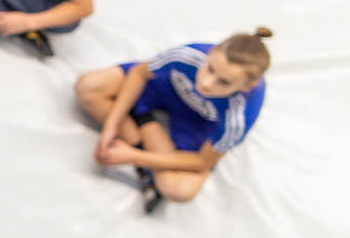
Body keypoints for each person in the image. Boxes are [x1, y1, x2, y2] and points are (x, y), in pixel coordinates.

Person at [73, 29, 272, 210]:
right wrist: (110, 127)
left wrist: (133, 156)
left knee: (179, 190)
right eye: (210, 69)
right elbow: (140, 73)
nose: (206, 83)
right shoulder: (191, 55)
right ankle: (142, 137)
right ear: (211, 52)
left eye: (224, 82)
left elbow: (202, 161)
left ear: (247, 87)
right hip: (165, 89)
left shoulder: (240, 115)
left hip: (198, 121)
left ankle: (142, 120)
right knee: (89, 87)